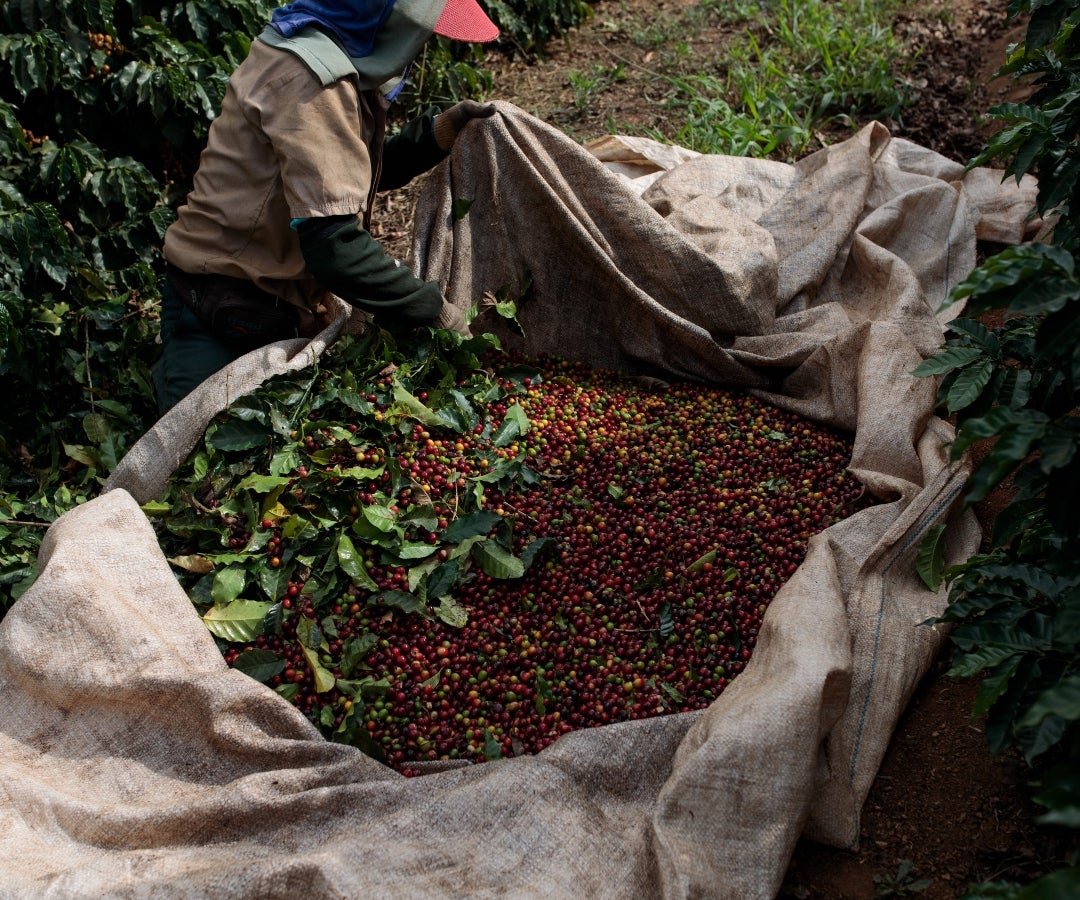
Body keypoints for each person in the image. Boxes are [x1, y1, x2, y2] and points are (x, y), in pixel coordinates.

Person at [155, 0, 500, 414]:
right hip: (221, 306)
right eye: (419, 34)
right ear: (387, 23)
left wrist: (434, 136)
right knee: (193, 452)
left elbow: (339, 177)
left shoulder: (316, 47)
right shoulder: (314, 80)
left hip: (260, 300)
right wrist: (435, 311)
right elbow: (333, 246)